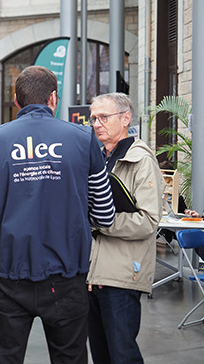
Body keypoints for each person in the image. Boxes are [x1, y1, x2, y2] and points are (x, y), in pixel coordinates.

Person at [0, 65, 115, 364]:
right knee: (70, 358)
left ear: (16, 98)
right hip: (67, 276)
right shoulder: (84, 139)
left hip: (7, 279)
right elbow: (105, 215)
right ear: (53, 98)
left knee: (4, 358)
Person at [87, 93, 164, 364]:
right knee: (101, 354)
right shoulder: (98, 159)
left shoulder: (141, 160)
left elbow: (148, 221)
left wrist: (100, 221)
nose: (97, 123)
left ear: (125, 118)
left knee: (123, 354)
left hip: (122, 275)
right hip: (91, 275)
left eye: (103, 117)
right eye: (93, 118)